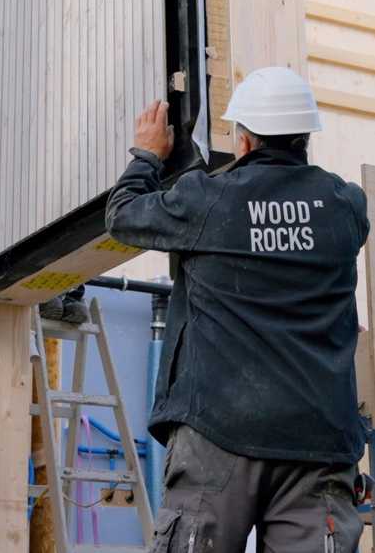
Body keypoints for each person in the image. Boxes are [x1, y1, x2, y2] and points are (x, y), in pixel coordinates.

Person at [105, 67, 369, 553]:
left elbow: (123, 215)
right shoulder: (346, 206)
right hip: (319, 440)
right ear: (305, 137)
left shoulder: (209, 201)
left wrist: (147, 154)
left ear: (244, 142)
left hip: (219, 432)